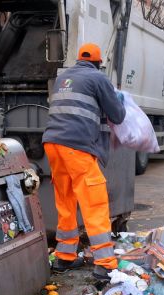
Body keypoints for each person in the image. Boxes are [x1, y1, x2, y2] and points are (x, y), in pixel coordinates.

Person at [42, 43, 126, 281]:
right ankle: (105, 263)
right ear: (98, 63)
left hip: (52, 143)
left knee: (65, 199)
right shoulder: (98, 78)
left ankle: (64, 257)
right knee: (94, 200)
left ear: (79, 60)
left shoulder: (63, 77)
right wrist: (117, 97)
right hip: (76, 145)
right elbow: (118, 115)